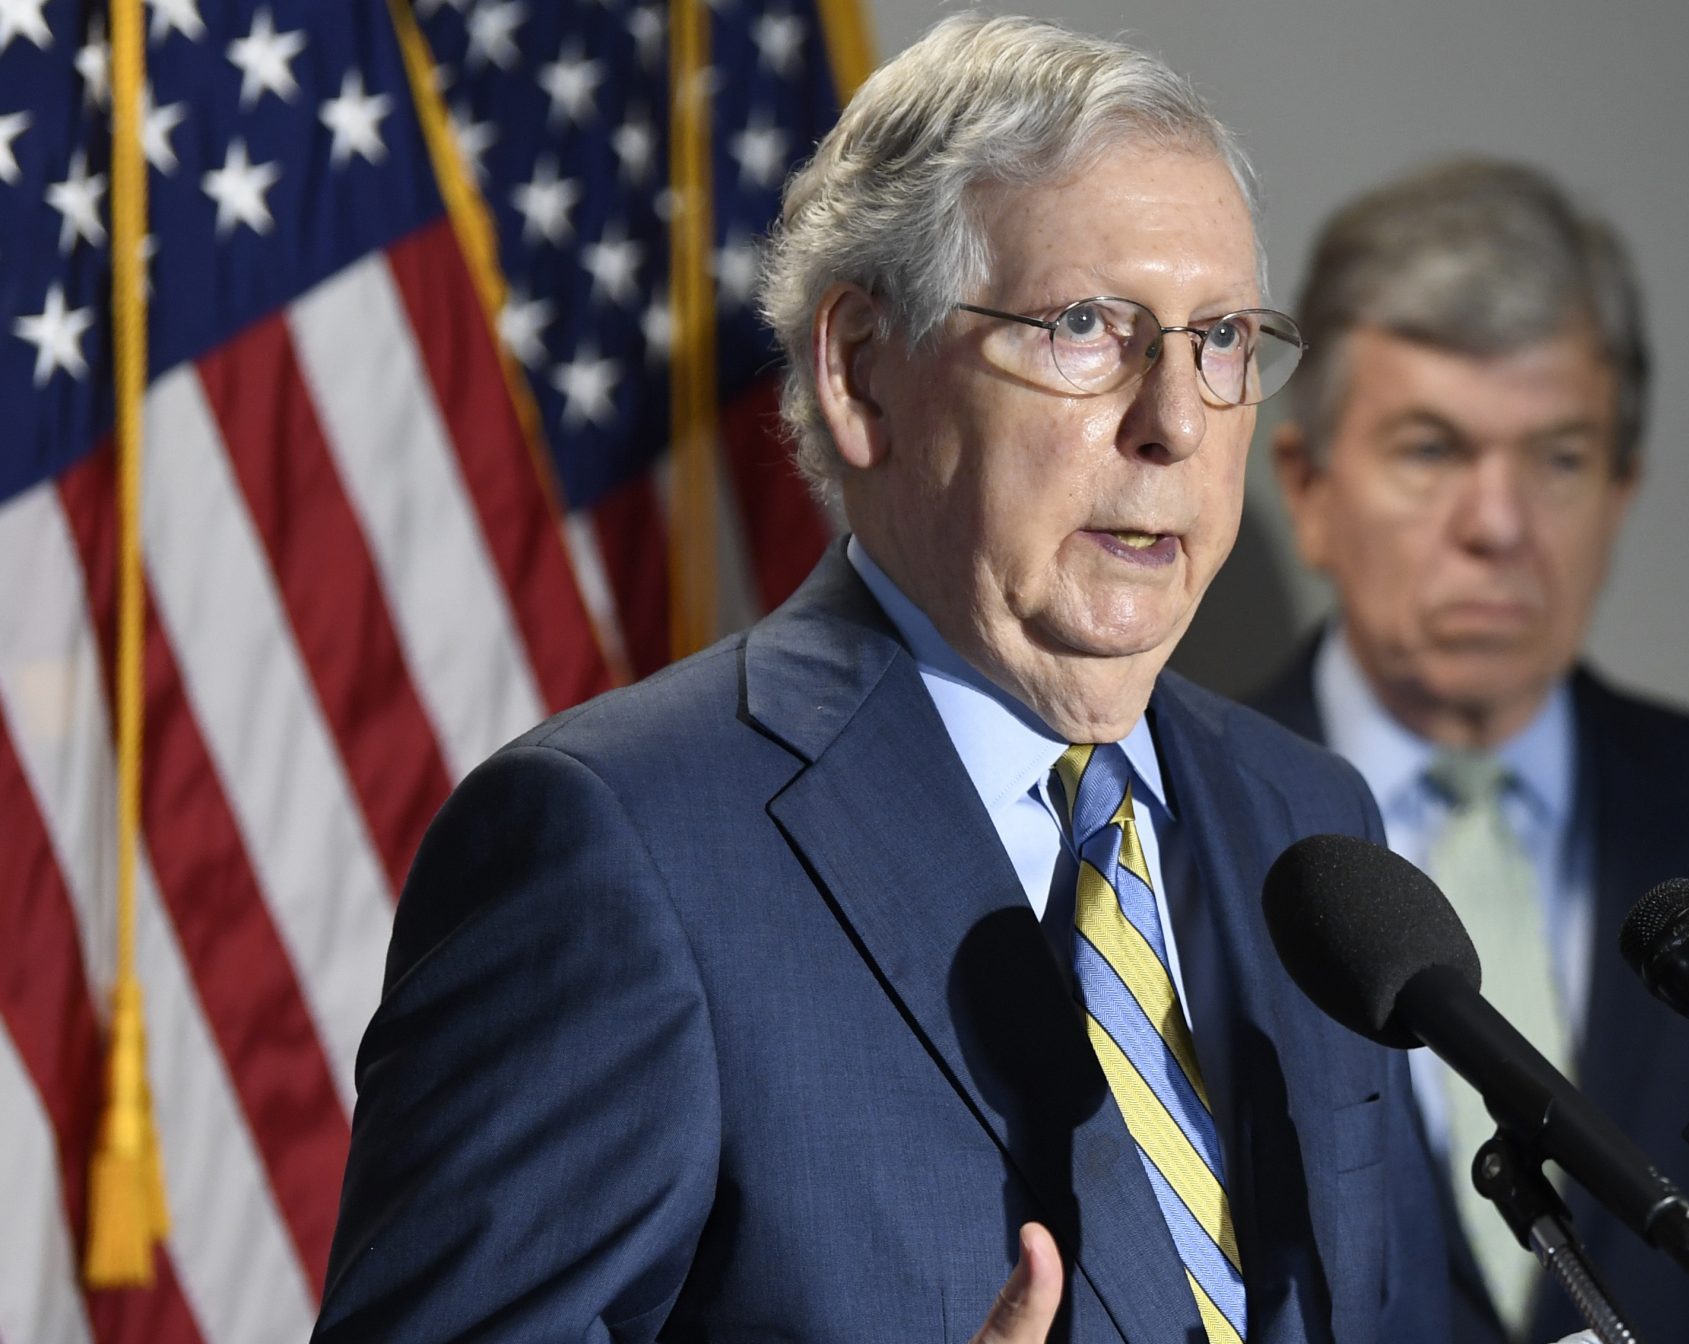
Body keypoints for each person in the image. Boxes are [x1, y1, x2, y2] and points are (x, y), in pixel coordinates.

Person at [314, 18, 1448, 1344]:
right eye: (1087, 328)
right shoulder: (619, 850)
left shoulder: (1310, 829)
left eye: (1222, 340)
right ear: (859, 374)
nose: (1177, 422)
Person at [1250, 159, 1689, 1344]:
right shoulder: (1156, 826)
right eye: (1430, 450)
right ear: (1307, 488)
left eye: (1558, 459)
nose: (1500, 525)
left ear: (1621, 491)